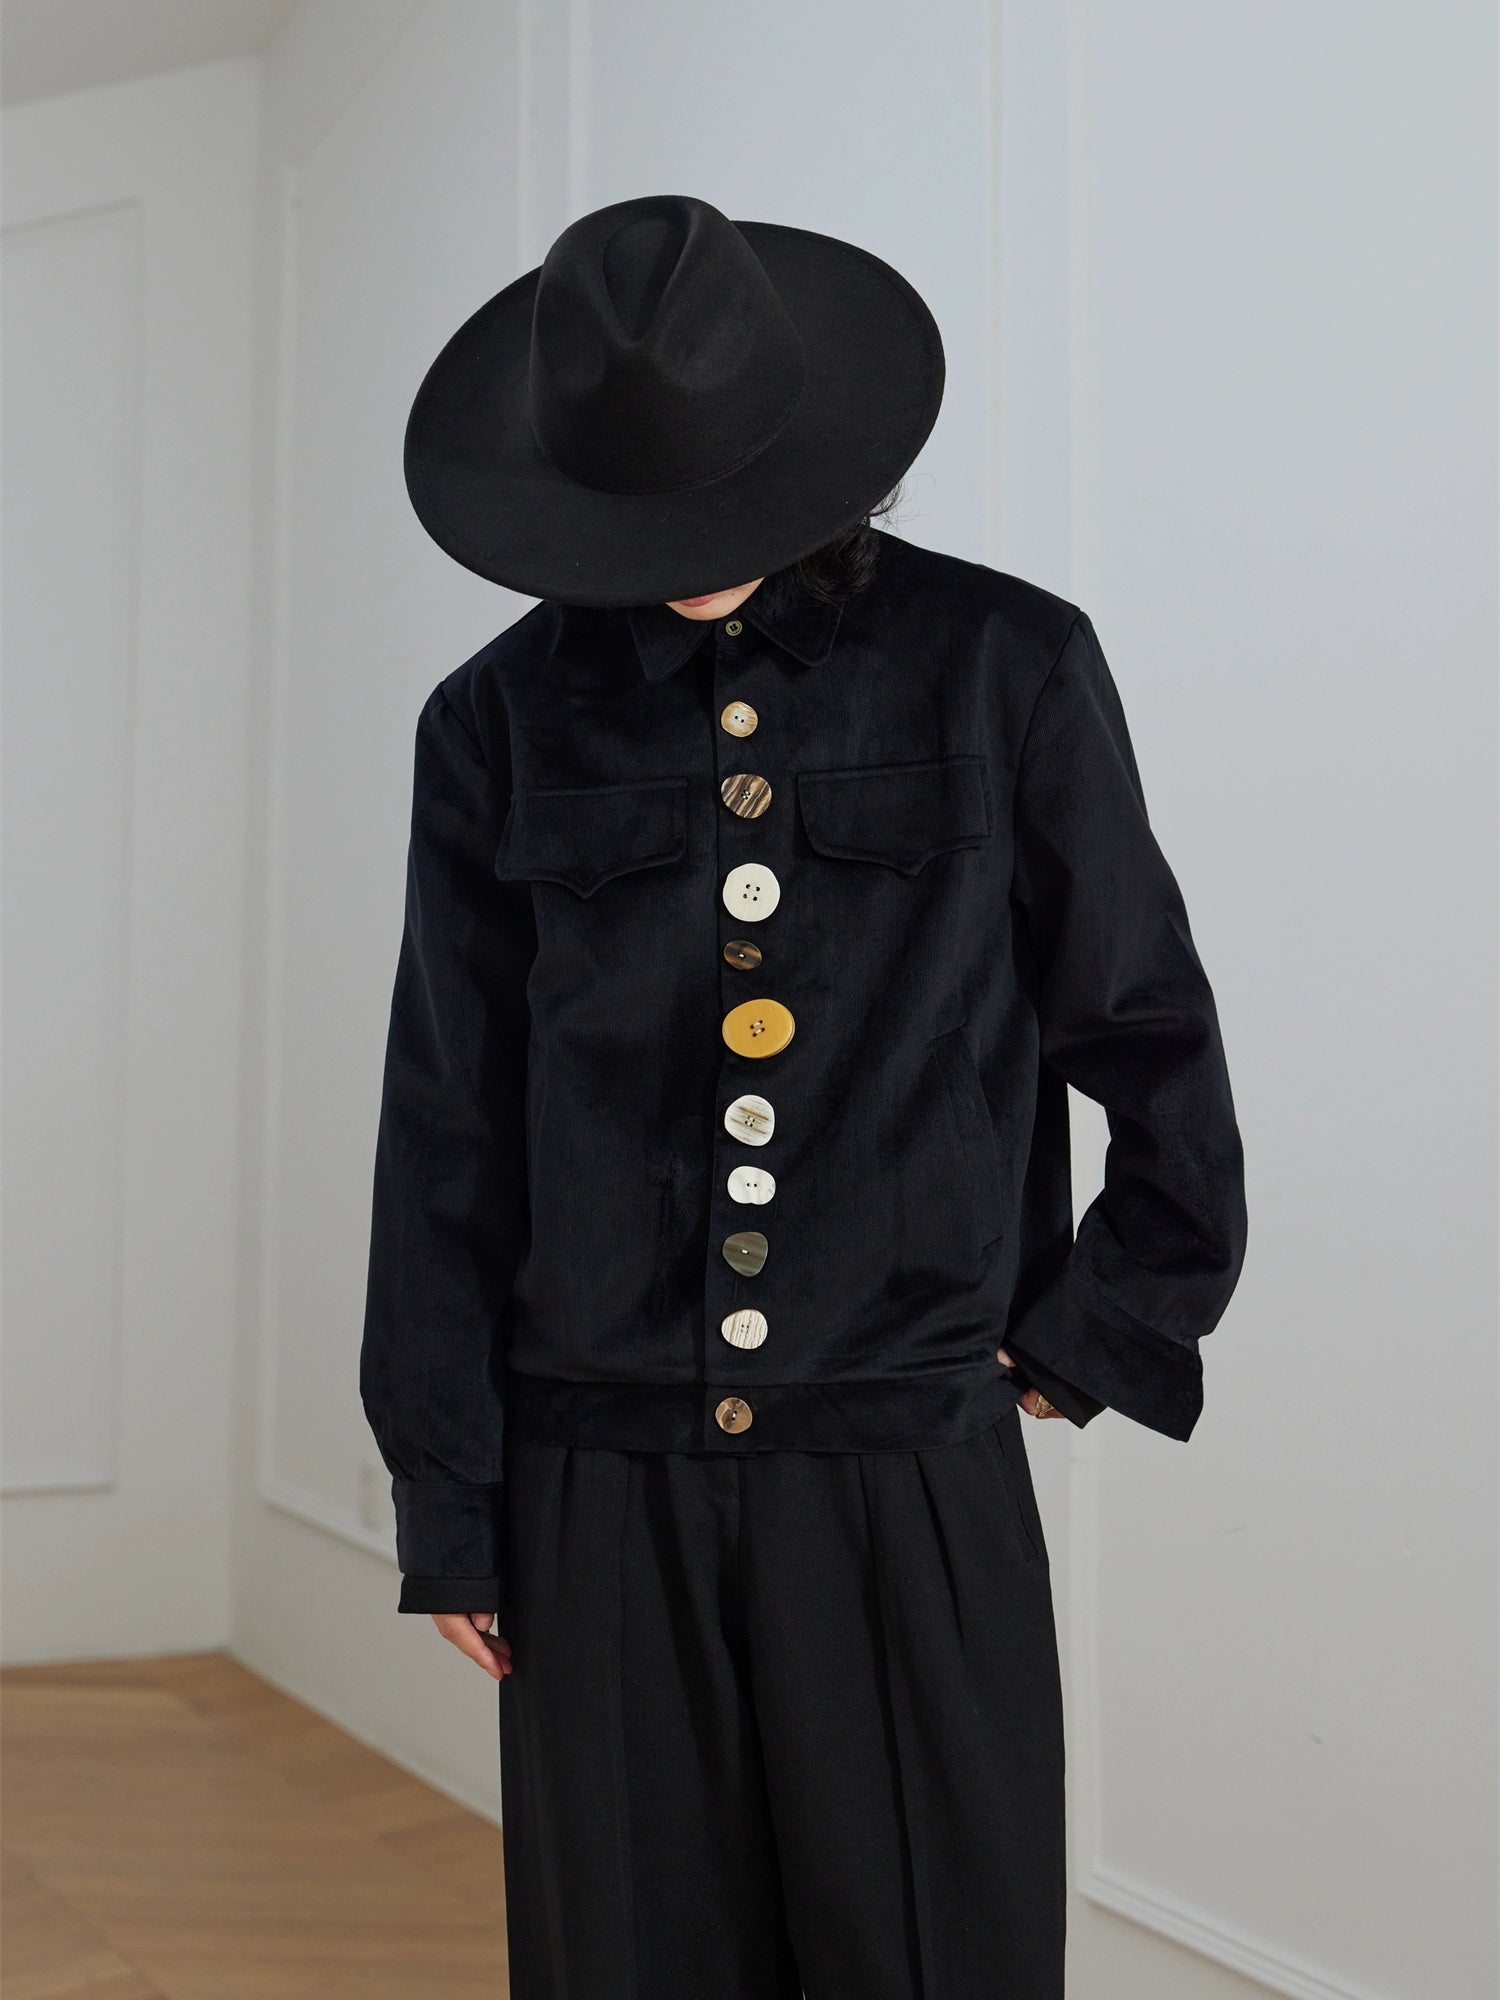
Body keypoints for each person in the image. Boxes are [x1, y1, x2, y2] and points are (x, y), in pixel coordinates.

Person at [359, 192, 1248, 2000]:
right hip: (598, 1471)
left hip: (904, 1452)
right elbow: (449, 1125)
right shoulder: (496, 722)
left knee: (934, 1951)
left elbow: (1147, 1024)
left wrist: (1101, 1326)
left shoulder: (1007, 665)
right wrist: (452, 1490)